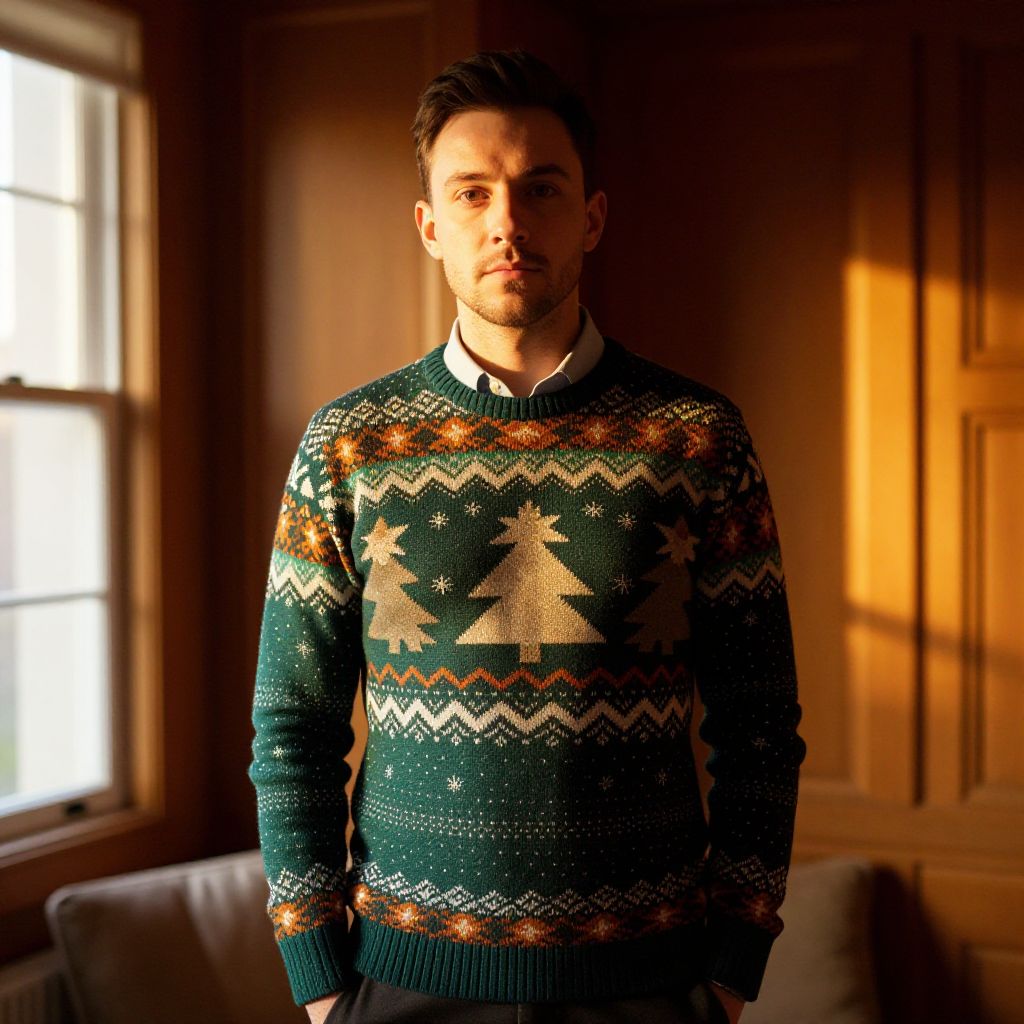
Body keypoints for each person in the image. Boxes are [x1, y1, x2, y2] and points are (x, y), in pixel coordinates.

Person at [248, 49, 806, 1024]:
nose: (505, 222)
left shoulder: (697, 437)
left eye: (538, 189)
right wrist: (321, 979)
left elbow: (759, 728)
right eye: (470, 194)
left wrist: (730, 963)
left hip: (649, 986)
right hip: (400, 984)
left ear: (591, 214)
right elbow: (291, 725)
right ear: (429, 226)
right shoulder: (348, 445)